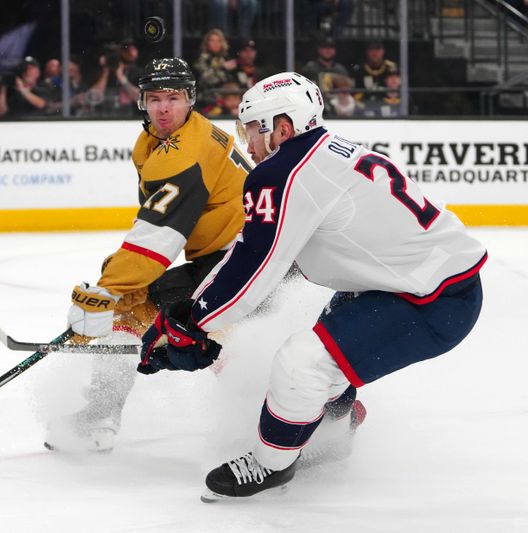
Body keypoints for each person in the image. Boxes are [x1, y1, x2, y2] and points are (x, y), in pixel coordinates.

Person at [136, 72, 487, 501]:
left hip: (430, 299)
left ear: (281, 128)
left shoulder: (284, 172)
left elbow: (254, 265)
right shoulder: (323, 153)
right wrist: (193, 313)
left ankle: (270, 468)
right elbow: (251, 251)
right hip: (404, 283)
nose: (248, 145)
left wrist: (192, 323)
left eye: (251, 131)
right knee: (328, 359)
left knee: (303, 363)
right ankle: (335, 434)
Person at [47, 57, 251, 452]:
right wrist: (122, 282)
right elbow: (164, 228)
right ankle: (101, 414)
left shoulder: (183, 151)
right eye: (154, 98)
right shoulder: (172, 139)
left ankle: (298, 425)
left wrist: (107, 291)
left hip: (241, 263)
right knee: (142, 305)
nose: (162, 108)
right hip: (239, 256)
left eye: (172, 98)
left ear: (189, 99)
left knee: (213, 333)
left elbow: (159, 236)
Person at [89, 38, 142, 117]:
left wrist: (121, 77)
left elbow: (141, 98)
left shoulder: (137, 73)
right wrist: (105, 72)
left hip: (131, 118)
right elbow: (93, 98)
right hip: (103, 117)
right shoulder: (101, 73)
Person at [300, 36, 349, 116]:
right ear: (319, 49)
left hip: (337, 105)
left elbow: (346, 91)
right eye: (325, 47)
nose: (328, 50)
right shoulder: (310, 68)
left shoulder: (340, 69)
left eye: (331, 47)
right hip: (315, 104)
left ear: (335, 50)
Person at [193, 28, 236, 112]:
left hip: (226, 96)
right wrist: (222, 68)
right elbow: (208, 79)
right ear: (207, 43)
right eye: (212, 40)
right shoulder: (202, 59)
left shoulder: (225, 58)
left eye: (218, 41)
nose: (215, 43)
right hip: (207, 97)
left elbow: (231, 80)